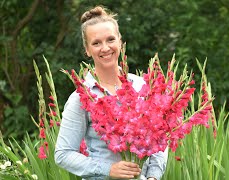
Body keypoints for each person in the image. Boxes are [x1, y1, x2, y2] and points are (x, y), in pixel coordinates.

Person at [54, 5, 168, 180]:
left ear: (120, 41)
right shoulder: (81, 97)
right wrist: (108, 169)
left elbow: (159, 139)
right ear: (87, 49)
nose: (105, 48)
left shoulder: (142, 86)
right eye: (96, 43)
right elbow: (63, 154)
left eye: (110, 39)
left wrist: (153, 176)